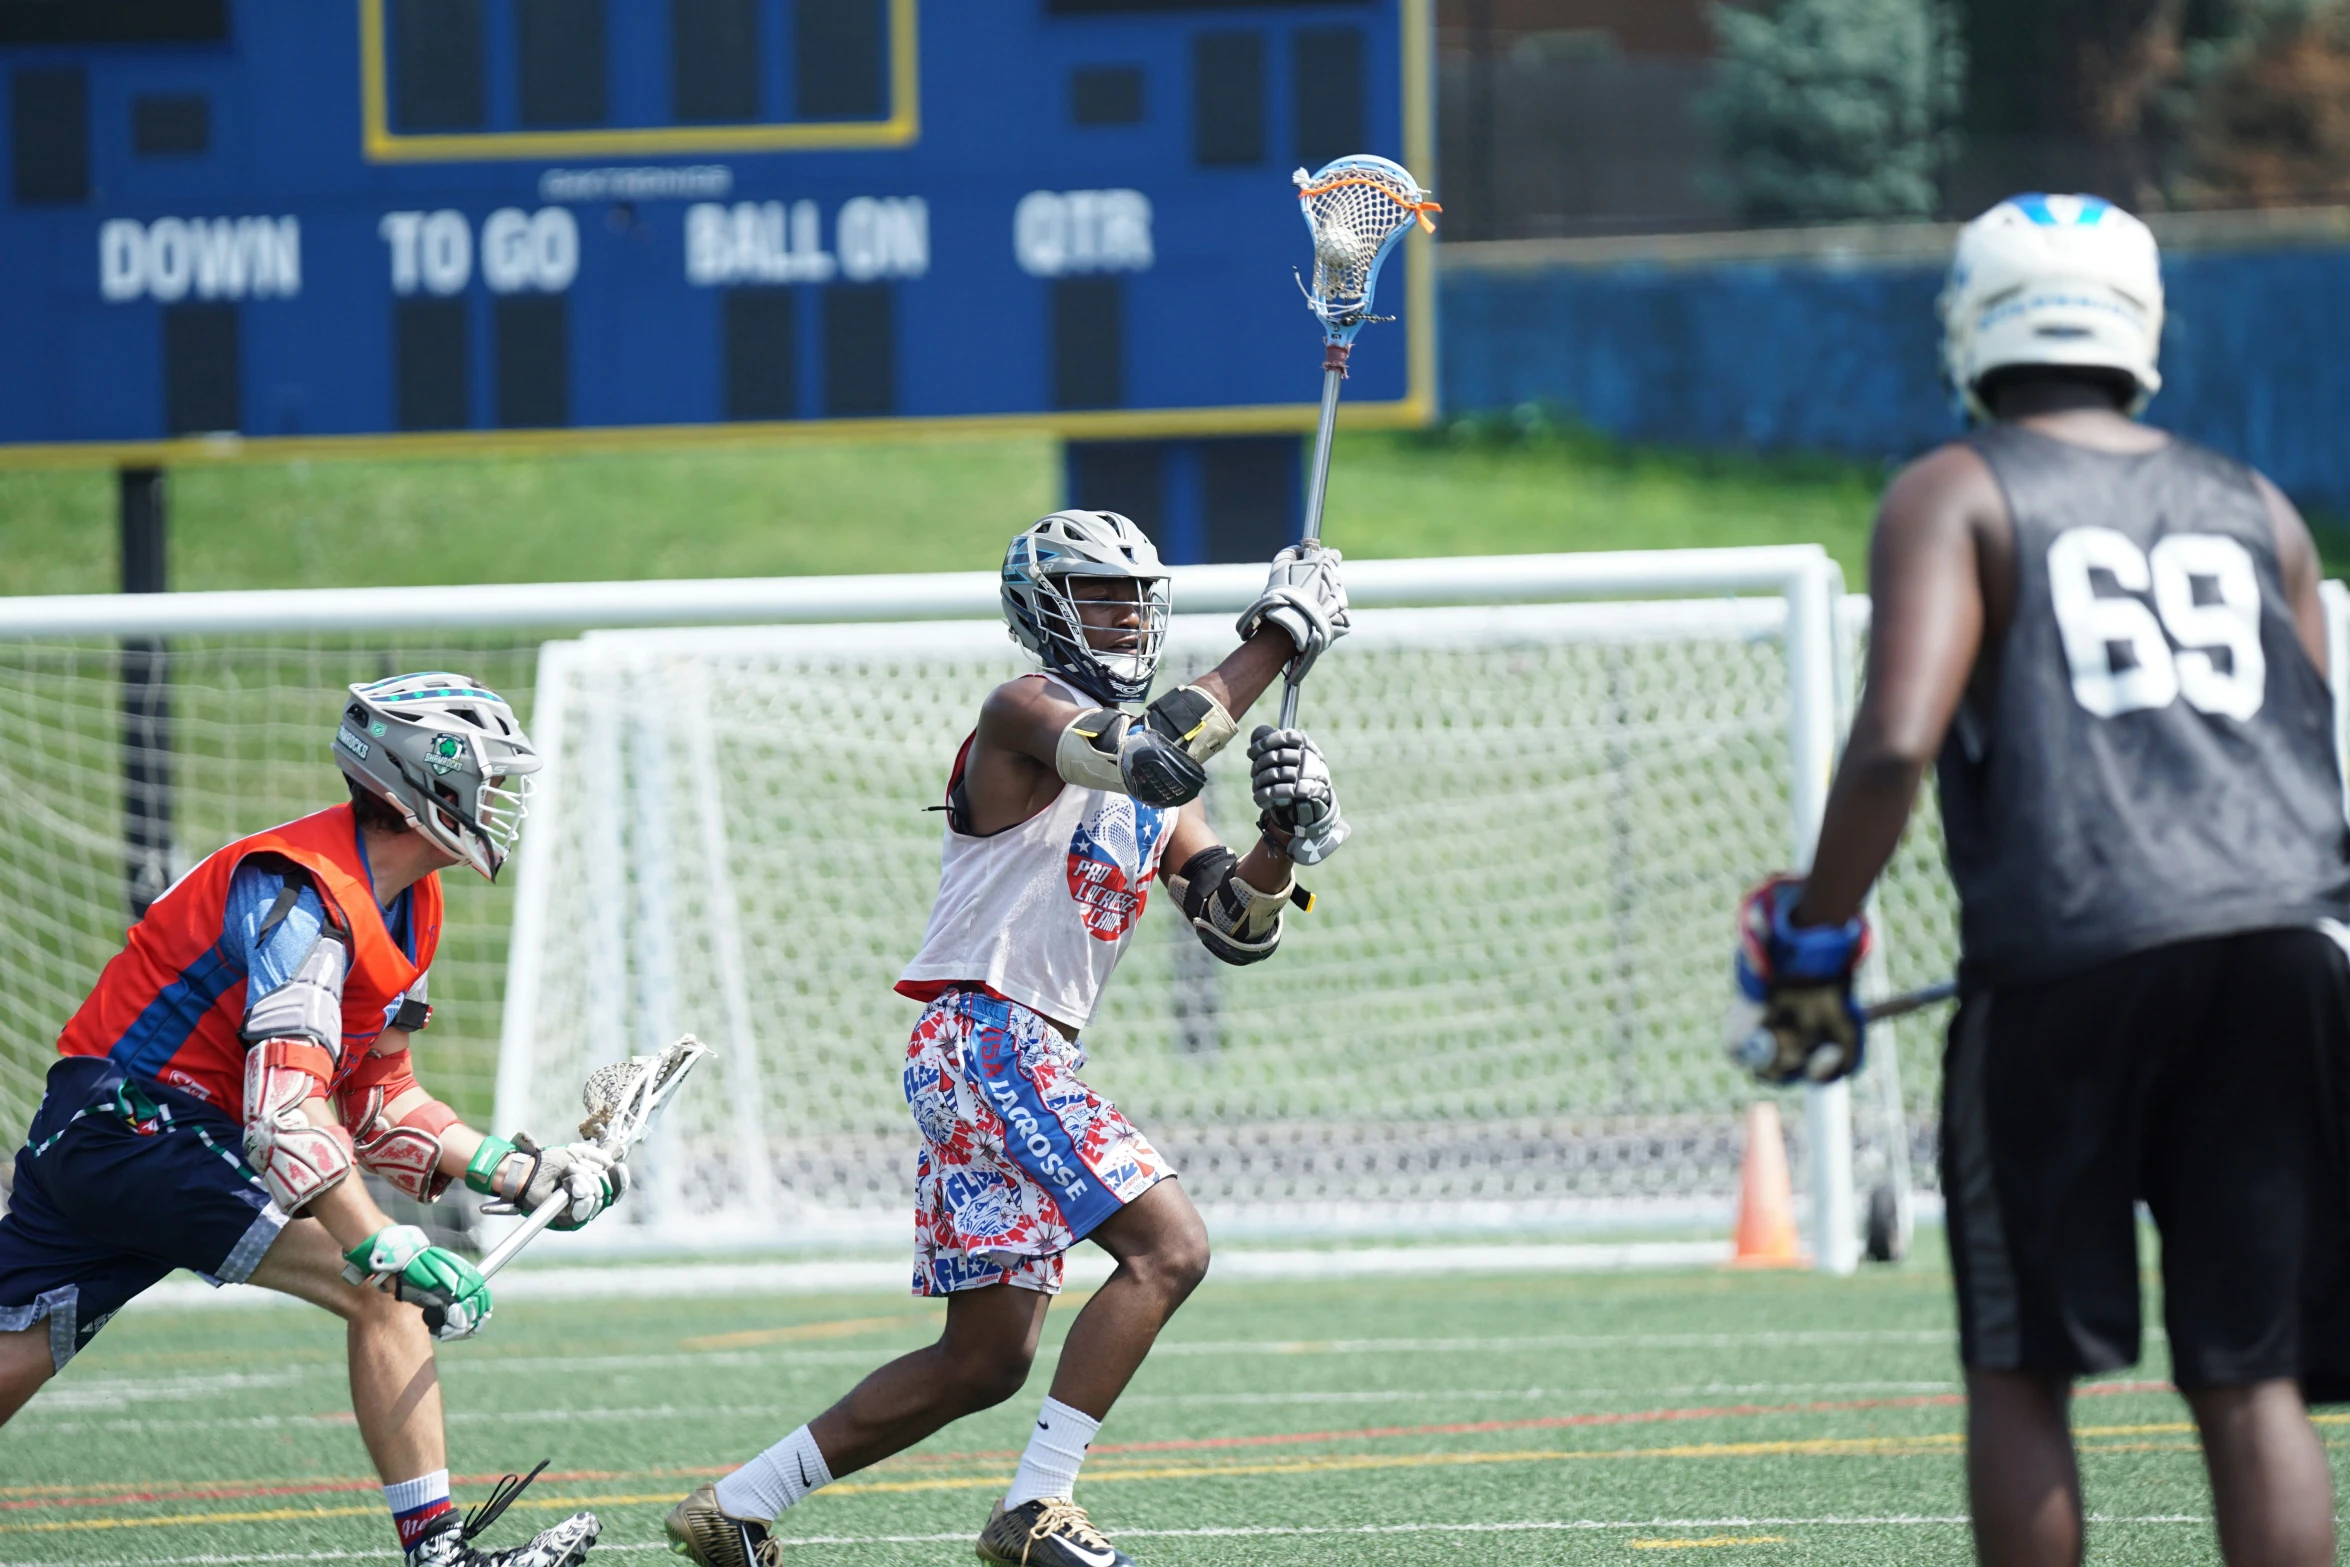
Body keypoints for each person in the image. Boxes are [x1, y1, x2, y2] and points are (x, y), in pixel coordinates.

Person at [1730, 194, 2350, 1567]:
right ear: (2139, 324)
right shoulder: (2258, 508)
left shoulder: (1954, 487)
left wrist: (1814, 936)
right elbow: (2305, 751)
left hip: (2071, 951)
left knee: (2022, 1366)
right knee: (2247, 1374)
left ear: (1969, 317)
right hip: (2288, 946)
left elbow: (1894, 738)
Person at [666, 513, 1353, 1567]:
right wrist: (1276, 637)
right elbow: (1156, 757)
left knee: (983, 1360)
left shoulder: (1162, 784)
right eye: (1101, 597)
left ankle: (736, 1507)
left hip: (1012, 1052)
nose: (1127, 617)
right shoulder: (1026, 709)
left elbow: (1232, 928)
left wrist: (1280, 836)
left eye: (1136, 598)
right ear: (1044, 608)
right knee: (1170, 1248)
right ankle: (1038, 1508)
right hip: (989, 1034)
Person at [0, 673, 628, 1567]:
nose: (501, 802)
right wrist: (385, 1242)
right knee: (379, 1288)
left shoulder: (409, 901)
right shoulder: (301, 894)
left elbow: (379, 1101)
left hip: (115, 1134)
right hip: (137, 1124)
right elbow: (286, 1115)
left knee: (16, 1342)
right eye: (489, 780)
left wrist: (522, 1173)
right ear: (427, 786)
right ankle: (438, 1553)